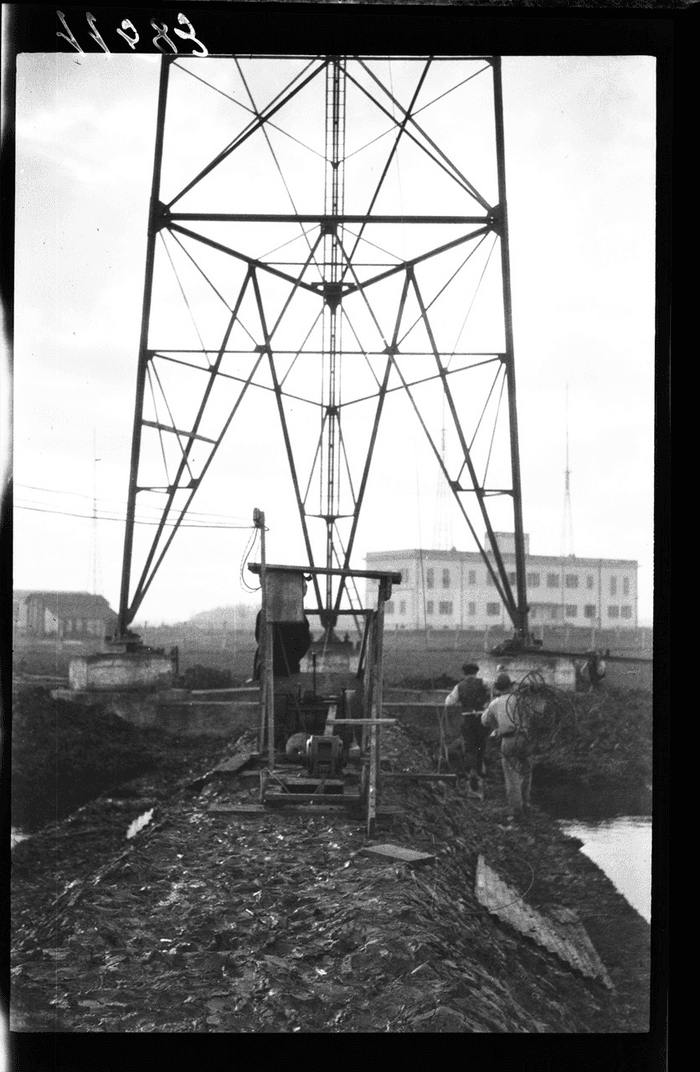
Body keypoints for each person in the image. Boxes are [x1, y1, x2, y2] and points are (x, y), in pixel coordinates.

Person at [481, 673, 532, 822]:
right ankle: (526, 803)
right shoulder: (520, 699)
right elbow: (531, 714)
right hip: (524, 737)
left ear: (497, 688)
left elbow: (484, 721)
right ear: (510, 686)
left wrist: (497, 723)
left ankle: (516, 811)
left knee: (511, 775)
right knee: (526, 771)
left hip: (508, 739)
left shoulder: (495, 703)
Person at [444, 662, 491, 798]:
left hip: (468, 719)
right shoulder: (484, 683)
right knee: (481, 746)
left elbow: (448, 702)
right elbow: (493, 691)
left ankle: (472, 773)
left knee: (469, 747)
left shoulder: (459, 686)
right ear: (476, 672)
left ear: (464, 673)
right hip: (481, 719)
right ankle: (480, 771)